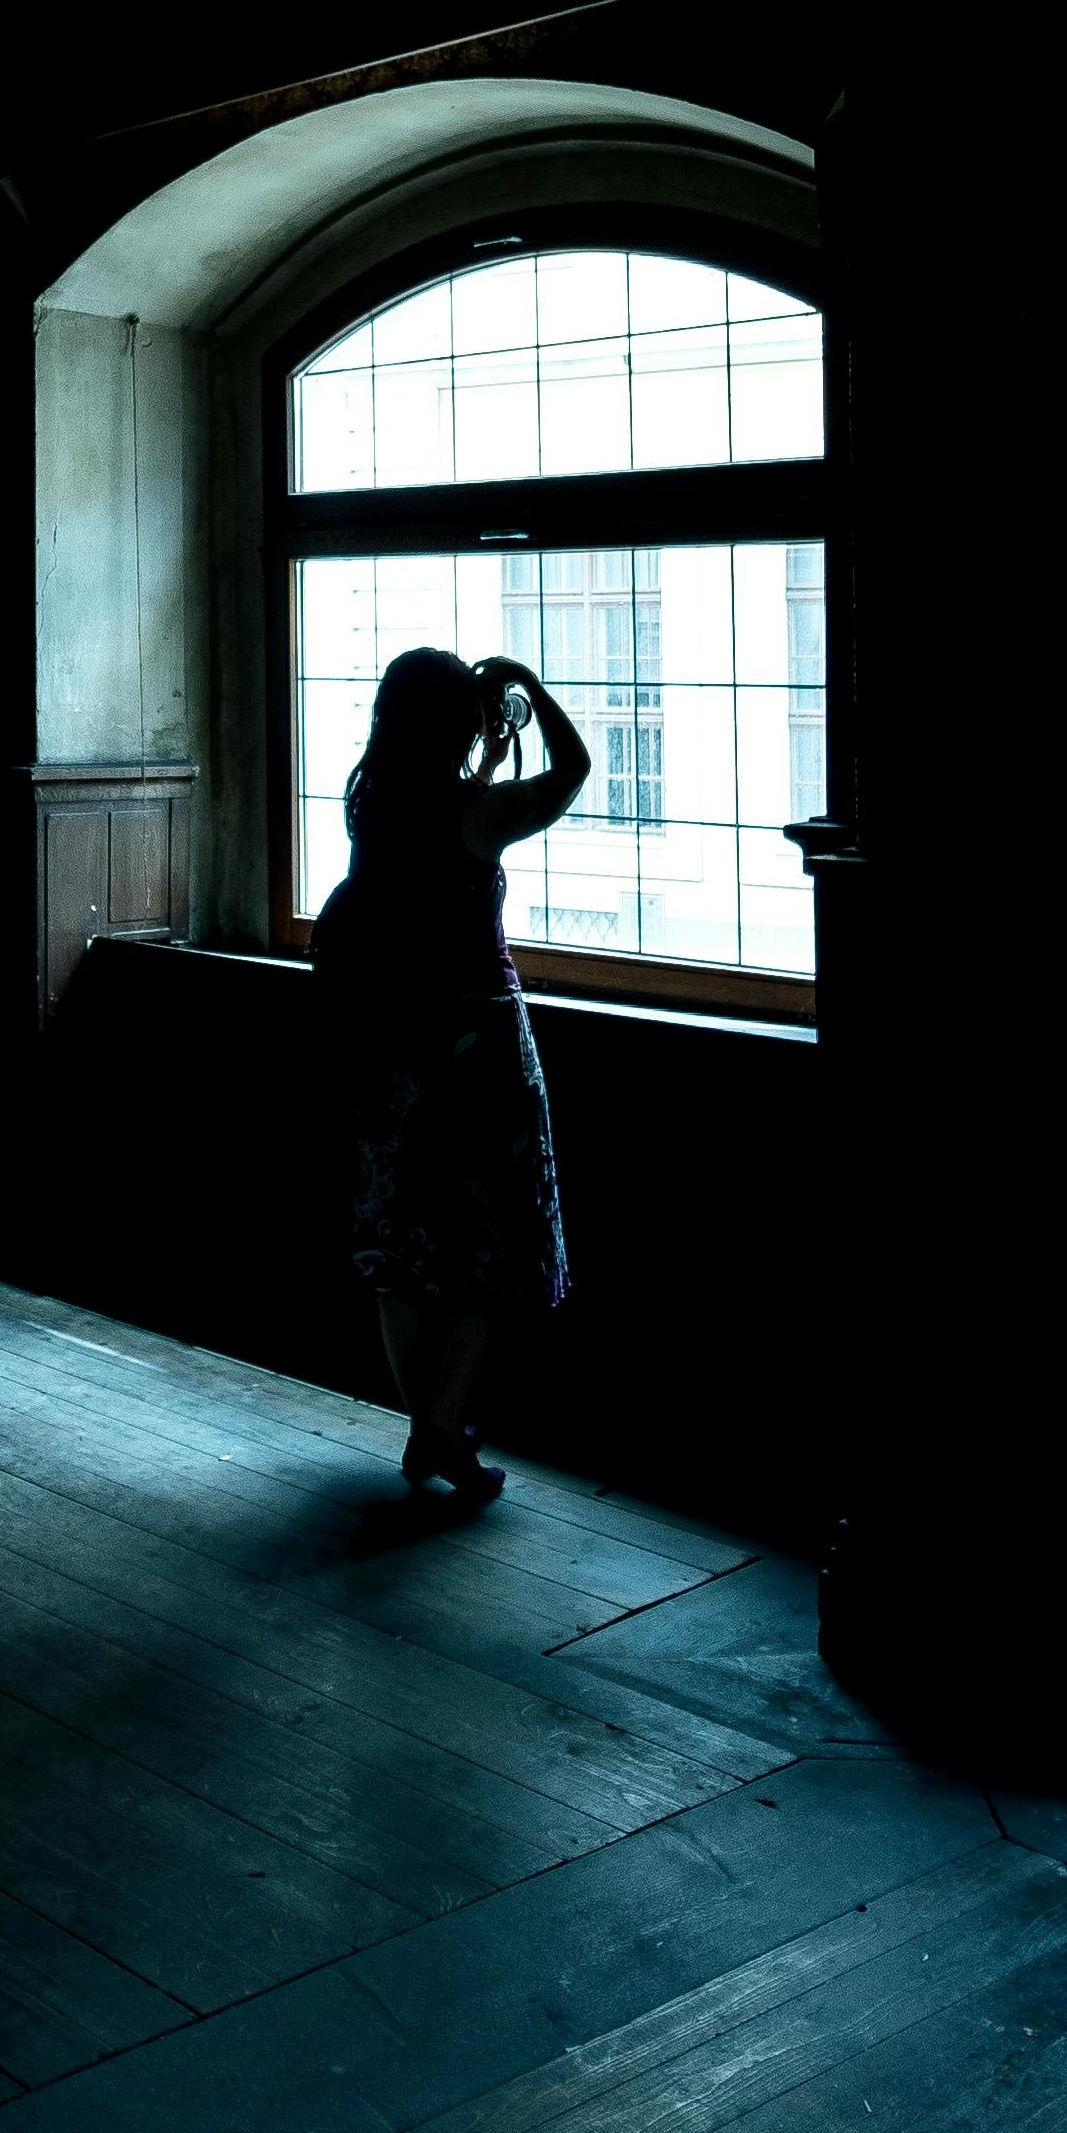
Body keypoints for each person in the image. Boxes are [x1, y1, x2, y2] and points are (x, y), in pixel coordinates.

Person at [312, 640, 587, 1507]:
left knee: (403, 1251)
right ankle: (444, 1433)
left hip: (393, 1048)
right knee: (486, 1253)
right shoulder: (479, 815)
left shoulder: (370, 803)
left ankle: (424, 1426)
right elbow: (574, 771)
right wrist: (530, 690)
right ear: (456, 720)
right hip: (478, 1052)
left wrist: (481, 745)